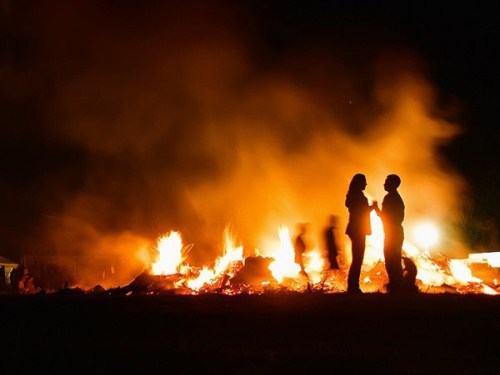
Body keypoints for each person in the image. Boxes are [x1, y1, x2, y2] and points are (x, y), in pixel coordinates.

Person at [344, 173, 377, 294]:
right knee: (358, 259)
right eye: (364, 181)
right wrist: (372, 207)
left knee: (357, 258)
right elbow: (361, 212)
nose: (366, 184)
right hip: (358, 229)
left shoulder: (354, 195)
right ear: (359, 183)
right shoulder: (357, 196)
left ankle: (353, 286)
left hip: (355, 229)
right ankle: (353, 287)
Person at [375, 174, 406, 293]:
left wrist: (375, 208)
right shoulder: (396, 197)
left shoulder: (390, 198)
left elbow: (385, 217)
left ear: (393, 184)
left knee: (391, 259)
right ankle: (397, 286)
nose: (384, 184)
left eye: (386, 182)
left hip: (392, 232)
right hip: (396, 231)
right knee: (394, 259)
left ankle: (396, 287)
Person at [294, 223, 312, 292]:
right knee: (303, 272)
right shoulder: (299, 238)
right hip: (299, 257)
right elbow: (299, 248)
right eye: (304, 229)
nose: (305, 231)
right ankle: (308, 287)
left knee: (302, 271)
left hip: (299, 257)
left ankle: (307, 286)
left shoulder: (299, 238)